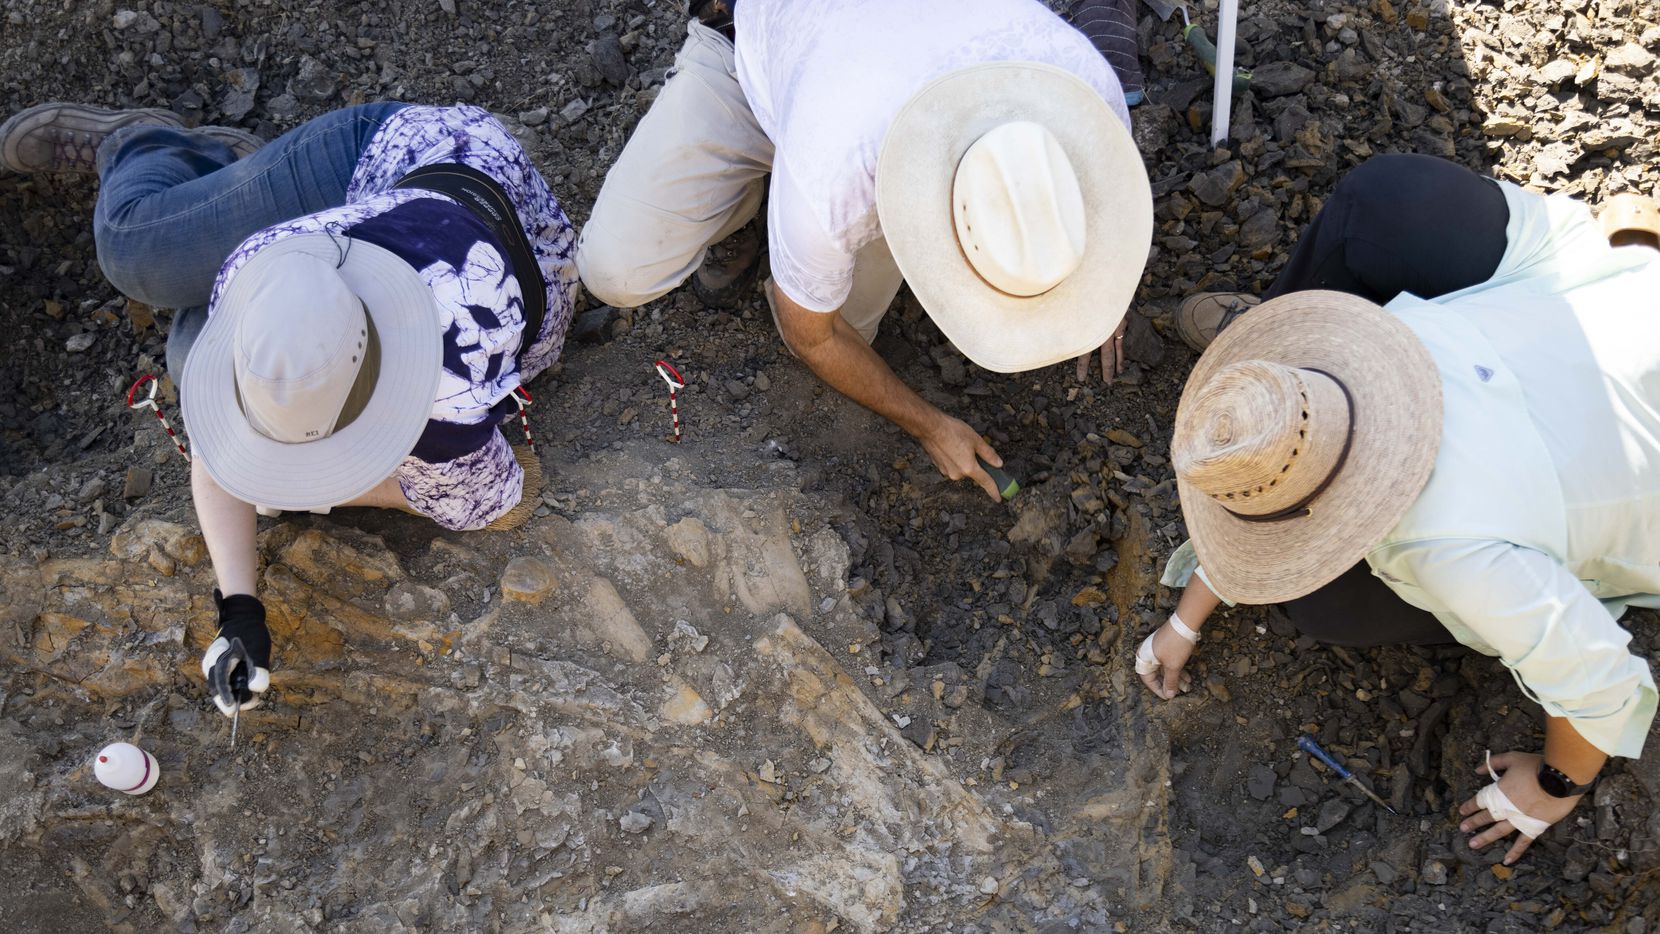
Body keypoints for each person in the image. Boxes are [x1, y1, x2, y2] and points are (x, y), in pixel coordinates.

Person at [1140, 153, 1660, 865]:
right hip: (1629, 306)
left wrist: (1557, 783)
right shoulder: (1397, 333)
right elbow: (1293, 466)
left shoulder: (1443, 548)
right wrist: (1186, 615)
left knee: (1323, 605)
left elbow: (1603, 682)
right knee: (1383, 195)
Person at [0, 101, 579, 717]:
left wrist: (312, 486)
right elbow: (219, 451)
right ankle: (190, 162)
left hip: (466, 189)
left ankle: (177, 163)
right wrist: (240, 610)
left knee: (157, 300)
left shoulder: (445, 405)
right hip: (385, 186)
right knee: (160, 296)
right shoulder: (266, 263)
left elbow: (497, 501)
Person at [576, 0, 1154, 501]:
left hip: (849, 87)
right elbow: (813, 336)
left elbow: (1096, 204)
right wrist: (928, 425)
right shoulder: (837, 180)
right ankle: (746, 207)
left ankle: (783, 217)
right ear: (941, 224)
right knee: (617, 271)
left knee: (856, 321)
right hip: (750, 51)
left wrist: (1095, 283)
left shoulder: (1086, 93)